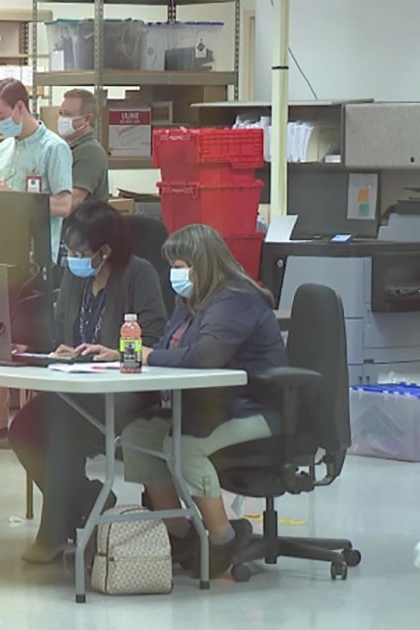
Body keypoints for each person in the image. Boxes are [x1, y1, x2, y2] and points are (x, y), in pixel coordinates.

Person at [119, 223, 287, 577]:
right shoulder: (190, 301)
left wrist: (148, 357)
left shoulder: (236, 298)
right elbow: (167, 347)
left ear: (202, 265)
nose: (174, 274)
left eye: (180, 265)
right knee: (137, 437)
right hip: (210, 407)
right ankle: (180, 534)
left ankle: (224, 538)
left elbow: (206, 356)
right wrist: (139, 355)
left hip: (253, 409)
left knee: (185, 446)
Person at [6, 201, 168, 563]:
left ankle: (52, 533)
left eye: (80, 252)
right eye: (69, 251)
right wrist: (56, 349)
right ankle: (90, 501)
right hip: (79, 386)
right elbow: (63, 327)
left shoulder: (138, 274)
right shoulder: (75, 277)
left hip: (126, 391)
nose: (73, 259)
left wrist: (115, 351)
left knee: (62, 426)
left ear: (105, 251)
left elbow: (156, 336)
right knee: (24, 429)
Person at [0, 77, 74, 445]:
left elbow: (64, 204)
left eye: (2, 115)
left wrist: (21, 200)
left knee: (30, 343)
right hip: (1, 255)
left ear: (21, 108)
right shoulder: (5, 149)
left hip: (37, 260)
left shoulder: (54, 149)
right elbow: (1, 198)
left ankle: (29, 425)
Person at [56, 88, 110, 206]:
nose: (62, 119)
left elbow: (72, 201)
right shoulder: (65, 148)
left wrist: (32, 206)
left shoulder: (90, 152)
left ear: (87, 119)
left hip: (82, 223)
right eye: (61, 113)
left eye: (68, 114)